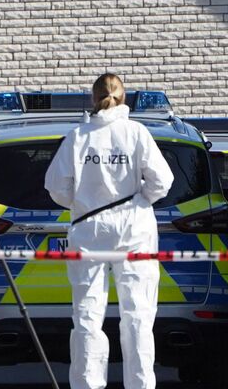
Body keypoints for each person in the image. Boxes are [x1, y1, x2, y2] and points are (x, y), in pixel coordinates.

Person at [44, 73, 174, 389]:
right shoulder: (136, 133)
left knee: (87, 315)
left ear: (93, 98)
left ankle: (87, 384)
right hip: (134, 230)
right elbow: (162, 181)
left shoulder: (78, 137)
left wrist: (82, 203)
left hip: (89, 230)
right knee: (138, 315)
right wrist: (140, 201)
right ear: (123, 97)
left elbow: (56, 187)